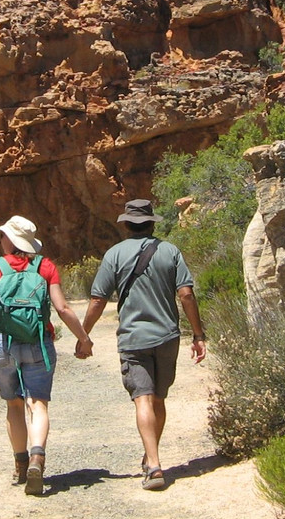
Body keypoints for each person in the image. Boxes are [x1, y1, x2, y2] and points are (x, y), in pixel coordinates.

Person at [80, 198, 206, 491]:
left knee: (143, 398)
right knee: (158, 398)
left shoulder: (114, 254)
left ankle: (153, 463)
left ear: (126, 224)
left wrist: (84, 335)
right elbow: (186, 295)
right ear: (152, 222)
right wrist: (198, 334)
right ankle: (152, 458)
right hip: (167, 337)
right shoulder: (169, 251)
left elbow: (98, 299)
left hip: (133, 338)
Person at [0, 215, 93, 495]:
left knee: (13, 405)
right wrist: (83, 339)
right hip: (39, 341)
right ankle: (38, 457)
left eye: (2, 236)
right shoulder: (45, 266)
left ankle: (21, 465)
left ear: (9, 240)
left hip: (4, 343)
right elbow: (62, 308)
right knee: (38, 404)